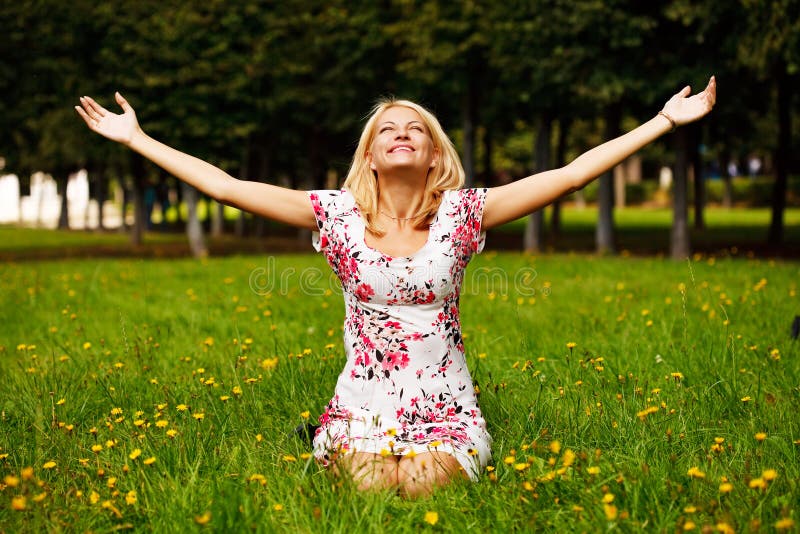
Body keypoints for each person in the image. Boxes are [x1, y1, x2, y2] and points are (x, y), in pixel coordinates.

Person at [75, 76, 716, 497]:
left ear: (435, 154)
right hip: (363, 407)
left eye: (415, 128)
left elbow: (571, 176)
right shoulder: (334, 214)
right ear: (370, 155)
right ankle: (331, 439)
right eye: (388, 129)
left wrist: (663, 121)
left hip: (448, 411)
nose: (401, 133)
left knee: (422, 488)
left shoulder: (466, 213)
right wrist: (138, 139)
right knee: (377, 487)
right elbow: (227, 189)